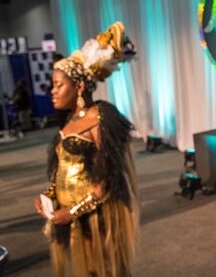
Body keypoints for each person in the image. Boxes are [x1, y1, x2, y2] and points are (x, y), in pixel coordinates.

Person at [34, 22, 138, 277]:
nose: (53, 92)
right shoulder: (69, 122)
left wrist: (72, 212)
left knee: (106, 270)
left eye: (59, 85)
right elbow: (63, 170)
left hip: (99, 218)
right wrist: (48, 196)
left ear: (79, 87)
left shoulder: (101, 119)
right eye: (53, 85)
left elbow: (108, 179)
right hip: (75, 222)